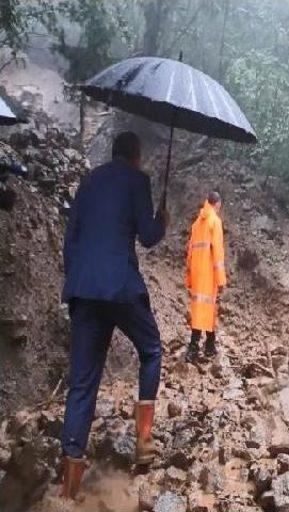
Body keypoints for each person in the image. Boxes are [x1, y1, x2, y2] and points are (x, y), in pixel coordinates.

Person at [59, 132, 168, 499]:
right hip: (119, 287)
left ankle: (69, 487)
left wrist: (76, 281)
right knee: (151, 348)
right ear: (135, 157)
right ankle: (144, 442)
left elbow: (70, 239)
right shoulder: (138, 180)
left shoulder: (89, 181)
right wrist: (161, 218)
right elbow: (149, 236)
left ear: (113, 153)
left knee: (83, 381)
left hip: (84, 289)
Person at [185, 191, 226, 362]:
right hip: (209, 274)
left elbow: (190, 253)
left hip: (197, 273)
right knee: (208, 309)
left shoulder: (196, 224)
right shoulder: (215, 222)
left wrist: (189, 276)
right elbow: (217, 252)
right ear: (217, 204)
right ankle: (201, 348)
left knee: (199, 310)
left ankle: (206, 345)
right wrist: (221, 279)